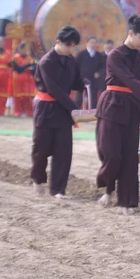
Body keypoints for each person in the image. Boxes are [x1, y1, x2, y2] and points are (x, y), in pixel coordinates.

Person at [95, 14, 140, 215]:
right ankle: (108, 187)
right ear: (131, 33)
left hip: (132, 109)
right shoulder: (115, 55)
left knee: (129, 158)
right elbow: (128, 80)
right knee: (111, 153)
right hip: (112, 106)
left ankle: (126, 202)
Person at [31, 26, 85, 199]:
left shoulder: (71, 60)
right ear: (58, 42)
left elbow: (77, 82)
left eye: (73, 46)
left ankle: (58, 189)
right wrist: (74, 109)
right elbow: (54, 90)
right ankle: (38, 180)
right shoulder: (46, 62)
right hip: (46, 109)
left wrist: (86, 83)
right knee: (41, 149)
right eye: (68, 45)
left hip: (63, 110)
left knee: (63, 151)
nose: (70, 49)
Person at [76, 36, 107, 109]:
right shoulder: (81, 54)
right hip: (82, 79)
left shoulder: (99, 55)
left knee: (93, 98)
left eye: (94, 43)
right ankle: (75, 111)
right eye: (91, 42)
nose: (93, 44)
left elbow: (103, 66)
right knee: (79, 98)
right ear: (87, 43)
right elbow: (76, 66)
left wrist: (99, 73)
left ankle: (92, 113)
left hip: (94, 79)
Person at [9, 43, 36, 117]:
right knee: (18, 97)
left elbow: (34, 69)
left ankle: (28, 112)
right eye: (23, 49)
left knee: (27, 97)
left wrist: (31, 67)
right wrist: (27, 66)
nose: (24, 51)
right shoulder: (15, 58)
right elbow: (18, 69)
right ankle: (18, 112)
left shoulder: (30, 58)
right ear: (20, 49)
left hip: (28, 80)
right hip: (18, 81)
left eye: (25, 49)